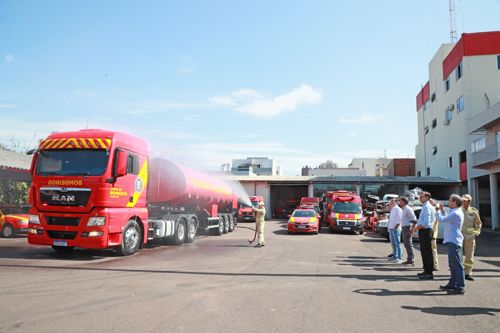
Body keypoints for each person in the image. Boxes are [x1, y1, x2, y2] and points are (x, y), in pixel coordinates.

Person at [437, 194, 465, 295]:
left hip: (454, 241)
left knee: (456, 265)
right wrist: (442, 210)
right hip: (452, 240)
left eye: (450, 200)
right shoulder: (454, 212)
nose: (448, 202)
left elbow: (441, 219)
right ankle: (452, 284)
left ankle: (460, 286)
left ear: (454, 202)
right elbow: (446, 218)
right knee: (453, 265)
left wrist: (437, 210)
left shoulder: (456, 213)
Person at [414, 191, 436, 280]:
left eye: (422, 197)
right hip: (424, 230)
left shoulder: (427, 207)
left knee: (427, 252)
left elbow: (425, 222)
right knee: (424, 252)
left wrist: (416, 228)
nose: (420, 198)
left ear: (427, 197)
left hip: (426, 231)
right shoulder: (425, 206)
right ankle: (426, 271)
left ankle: (429, 273)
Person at [461, 194, 482, 281]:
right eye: (463, 200)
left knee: (469, 255)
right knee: (458, 255)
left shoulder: (474, 211)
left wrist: (477, 232)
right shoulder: (458, 210)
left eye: (465, 200)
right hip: (459, 236)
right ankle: (459, 272)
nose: (463, 202)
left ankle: (468, 273)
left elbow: (478, 223)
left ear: (469, 201)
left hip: (470, 236)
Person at [399, 196, 417, 266]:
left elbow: (414, 219)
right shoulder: (403, 209)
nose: (399, 202)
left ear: (403, 202)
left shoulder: (408, 209)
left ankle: (411, 260)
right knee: (406, 244)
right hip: (404, 227)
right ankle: (409, 259)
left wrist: (412, 229)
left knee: (408, 244)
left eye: (400, 201)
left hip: (407, 227)